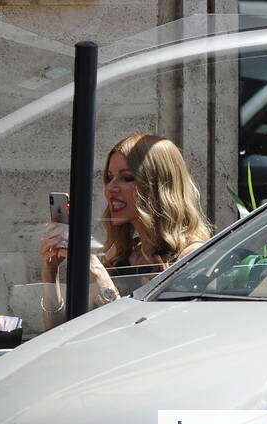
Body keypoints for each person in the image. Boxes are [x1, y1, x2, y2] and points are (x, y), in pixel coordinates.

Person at [39, 134, 212, 329]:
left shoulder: (192, 256)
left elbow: (153, 336)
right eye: (110, 177)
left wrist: (98, 273)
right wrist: (50, 273)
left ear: (158, 188)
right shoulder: (121, 253)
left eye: (126, 178)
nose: (110, 189)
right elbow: (63, 334)